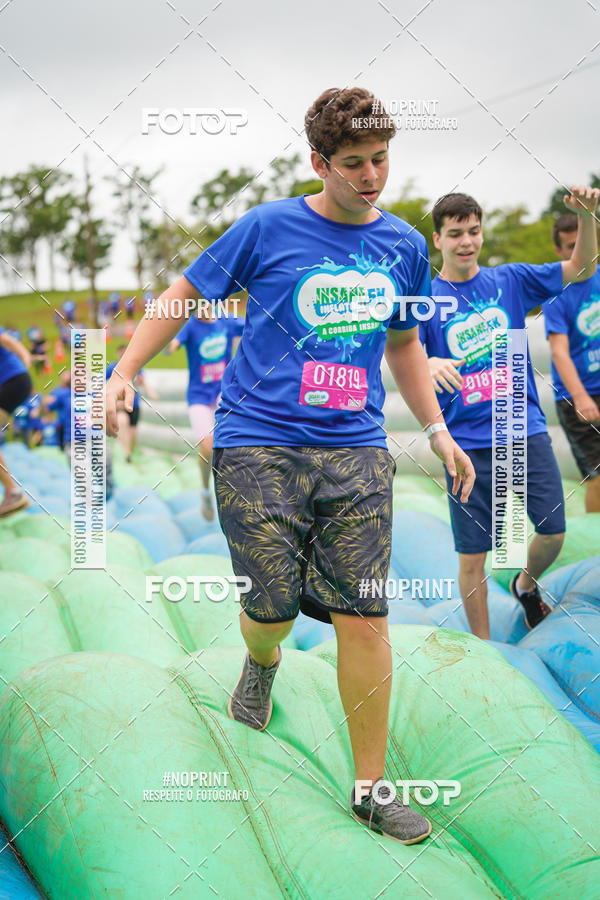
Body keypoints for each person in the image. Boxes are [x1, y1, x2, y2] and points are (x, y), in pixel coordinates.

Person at [107, 87, 475, 845]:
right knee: (271, 607)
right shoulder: (266, 227)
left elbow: (404, 343)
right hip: (257, 442)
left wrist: (437, 429)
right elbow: (182, 295)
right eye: (352, 164)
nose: (370, 176)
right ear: (318, 162)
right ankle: (262, 658)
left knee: (366, 616)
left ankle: (369, 790)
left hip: (356, 449)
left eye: (379, 160)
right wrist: (125, 369)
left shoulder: (404, 245)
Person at [419, 190, 599, 640]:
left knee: (554, 531)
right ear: (437, 239)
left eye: (474, 231)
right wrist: (426, 363)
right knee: (472, 558)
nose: (466, 241)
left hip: (524, 430)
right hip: (465, 445)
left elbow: (581, 268)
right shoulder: (427, 301)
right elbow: (397, 353)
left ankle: (525, 583)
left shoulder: (512, 281)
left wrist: (588, 217)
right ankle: (484, 648)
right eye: (455, 233)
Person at [543, 213, 600, 512]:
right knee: (598, 475)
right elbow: (559, 352)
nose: (578, 252)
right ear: (560, 252)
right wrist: (580, 397)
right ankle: (595, 549)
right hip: (576, 398)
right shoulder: (556, 294)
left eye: (582, 244)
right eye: (570, 247)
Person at [167, 308, 244, 519]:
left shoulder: (226, 320)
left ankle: (233, 489)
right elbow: (171, 346)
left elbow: (253, 326)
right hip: (198, 395)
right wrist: (165, 340)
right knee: (207, 447)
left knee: (233, 437)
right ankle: (205, 490)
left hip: (223, 391)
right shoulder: (190, 325)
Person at [106, 345, 159, 462]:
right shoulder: (112, 368)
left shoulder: (136, 367)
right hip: (120, 404)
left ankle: (131, 451)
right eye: (121, 353)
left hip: (133, 404)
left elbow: (141, 382)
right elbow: (105, 383)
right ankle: (127, 453)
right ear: (118, 354)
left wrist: (151, 393)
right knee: (122, 422)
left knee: (133, 433)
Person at [0, 326, 32, 515]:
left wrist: (25, 358)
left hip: (15, 381)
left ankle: (13, 492)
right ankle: (12, 492)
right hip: (15, 382)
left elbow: (8, 341)